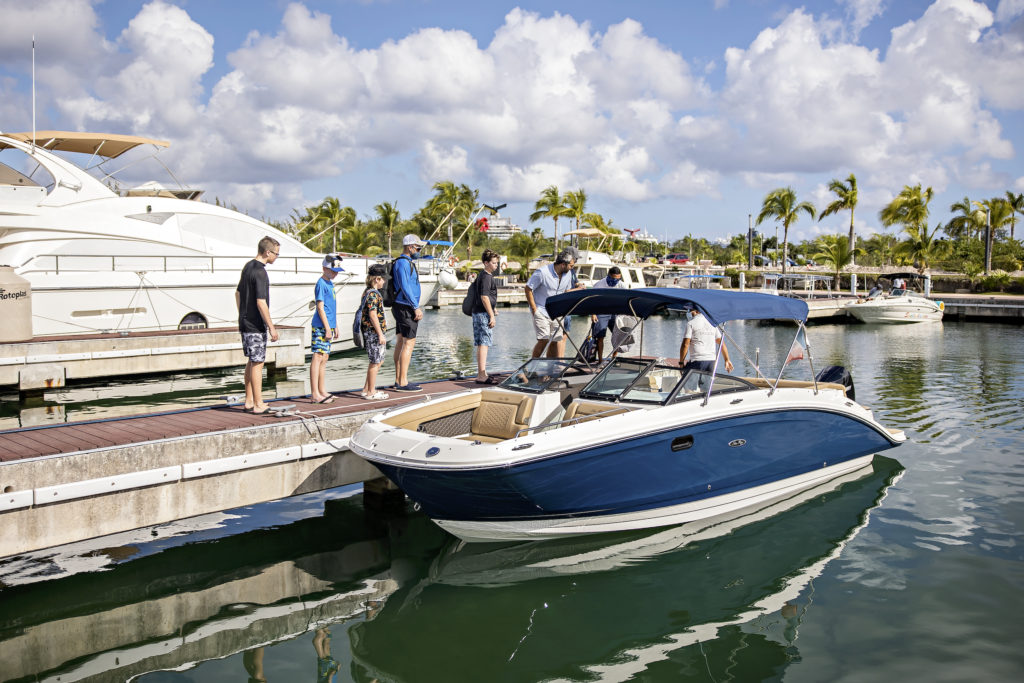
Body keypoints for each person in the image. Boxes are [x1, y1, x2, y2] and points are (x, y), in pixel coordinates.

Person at [235, 236, 280, 414]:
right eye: (276, 254)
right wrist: (272, 327)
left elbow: (237, 294)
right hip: (255, 325)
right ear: (267, 252)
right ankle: (258, 403)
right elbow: (261, 302)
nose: (276, 257)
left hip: (245, 322)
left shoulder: (247, 267)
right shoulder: (261, 272)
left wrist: (242, 314)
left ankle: (249, 400)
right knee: (258, 362)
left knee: (252, 361)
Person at [525, 250, 577, 358]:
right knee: (544, 339)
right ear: (563, 264)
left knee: (555, 341)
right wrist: (535, 310)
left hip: (557, 313)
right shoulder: (542, 273)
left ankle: (549, 371)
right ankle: (530, 370)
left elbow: (566, 292)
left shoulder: (568, 274)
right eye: (571, 266)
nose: (572, 268)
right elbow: (528, 288)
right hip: (541, 310)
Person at [391, 234, 425, 392]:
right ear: (410, 247)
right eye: (418, 248)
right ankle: (402, 382)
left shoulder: (404, 262)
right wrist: (415, 306)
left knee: (401, 341)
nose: (419, 250)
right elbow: (405, 286)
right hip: (405, 307)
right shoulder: (403, 263)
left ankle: (399, 379)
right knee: (409, 343)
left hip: (402, 306)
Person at [309, 255, 343, 404]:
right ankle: (314, 393)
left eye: (336, 271)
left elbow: (332, 308)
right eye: (333, 270)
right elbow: (320, 307)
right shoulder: (321, 284)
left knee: (325, 357)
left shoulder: (330, 284)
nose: (335, 273)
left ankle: (322, 390)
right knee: (317, 356)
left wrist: (335, 326)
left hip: (329, 325)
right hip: (320, 326)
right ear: (324, 268)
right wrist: (327, 328)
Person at [360, 266, 389, 400]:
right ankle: (371, 392)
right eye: (383, 279)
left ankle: (367, 388)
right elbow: (372, 314)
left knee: (379, 360)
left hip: (373, 332)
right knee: (375, 362)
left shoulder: (369, 292)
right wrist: (380, 334)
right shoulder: (373, 294)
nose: (384, 282)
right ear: (377, 279)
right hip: (373, 332)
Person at [472, 249, 500, 383]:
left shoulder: (482, 275)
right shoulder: (487, 277)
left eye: (496, 263)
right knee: (484, 343)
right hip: (483, 314)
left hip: (479, 312)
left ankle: (481, 373)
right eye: (494, 263)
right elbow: (484, 297)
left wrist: (493, 309)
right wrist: (491, 315)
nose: (496, 265)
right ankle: (482, 375)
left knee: (481, 343)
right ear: (486, 263)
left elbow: (485, 297)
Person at [679, 308, 734, 374]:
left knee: (687, 383)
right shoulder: (712, 324)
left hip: (697, 360)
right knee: (706, 384)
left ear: (696, 311)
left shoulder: (691, 323)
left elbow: (685, 344)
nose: (690, 313)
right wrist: (727, 359)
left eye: (691, 311)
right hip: (711, 362)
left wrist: (681, 362)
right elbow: (721, 342)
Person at [590, 266, 625, 362]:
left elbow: (625, 300)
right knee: (600, 337)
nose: (615, 281)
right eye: (614, 278)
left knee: (619, 335)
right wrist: (593, 314)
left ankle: (614, 358)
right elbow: (591, 300)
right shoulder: (599, 284)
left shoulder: (621, 285)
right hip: (601, 312)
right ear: (609, 275)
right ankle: (600, 360)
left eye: (618, 279)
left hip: (615, 312)